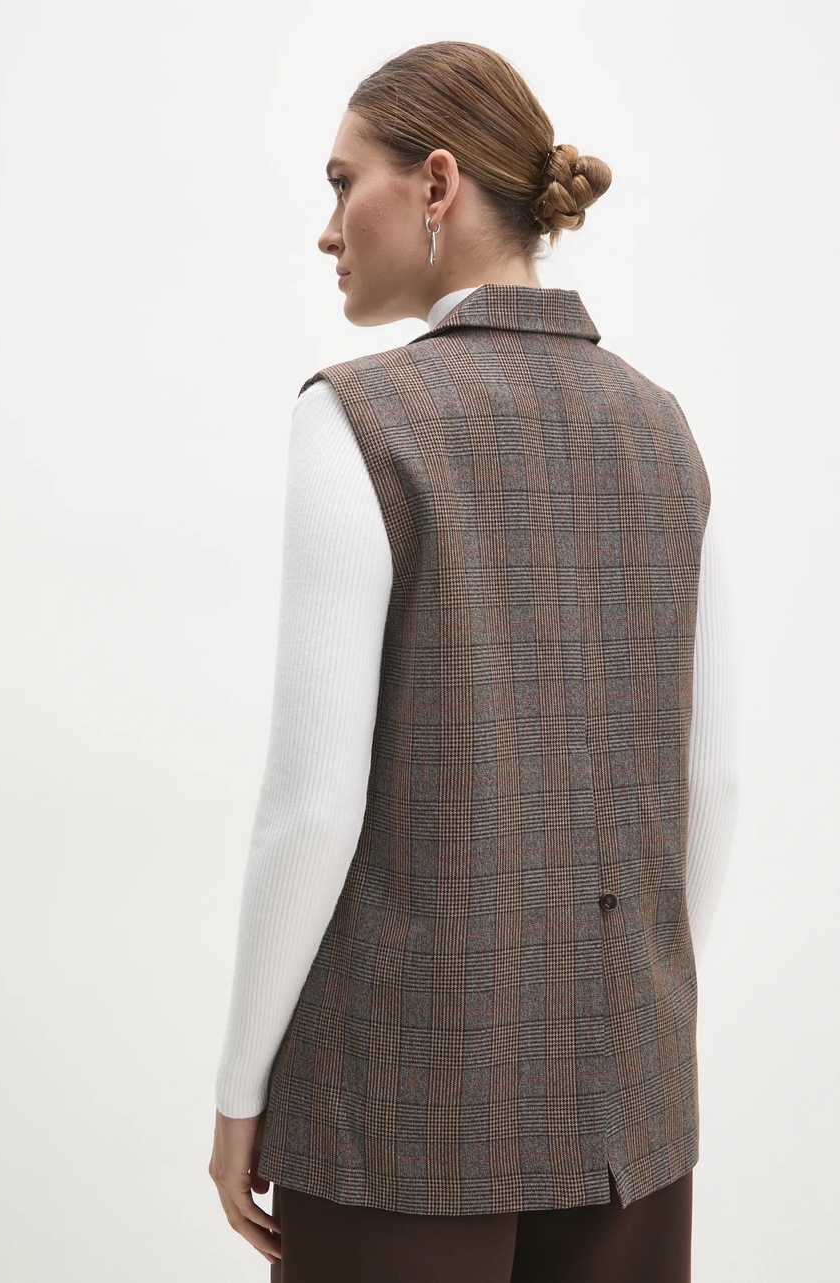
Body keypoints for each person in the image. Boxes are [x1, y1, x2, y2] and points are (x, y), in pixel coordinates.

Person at [208, 40, 739, 1282]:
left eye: (345, 182)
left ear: (437, 183)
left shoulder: (356, 417)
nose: (328, 228)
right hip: (631, 1103)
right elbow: (712, 783)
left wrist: (241, 1087)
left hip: (397, 1103)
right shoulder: (664, 428)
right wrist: (638, 1011)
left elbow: (312, 806)